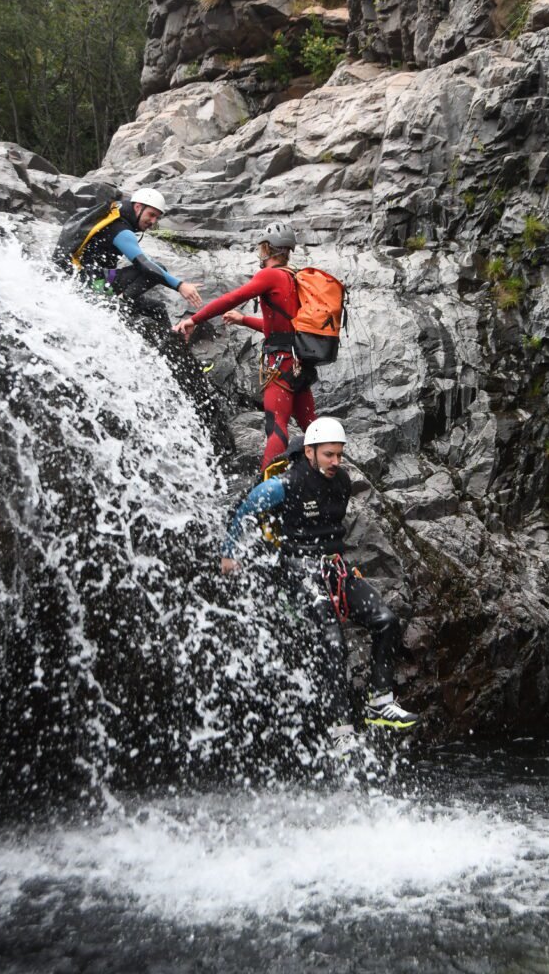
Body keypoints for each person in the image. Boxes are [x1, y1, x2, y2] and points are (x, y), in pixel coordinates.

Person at [220, 417, 421, 742]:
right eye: (329, 454)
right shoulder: (281, 486)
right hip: (296, 570)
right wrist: (229, 554)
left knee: (386, 621)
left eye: (339, 455)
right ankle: (341, 730)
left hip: (333, 568)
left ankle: (379, 704)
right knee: (332, 642)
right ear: (310, 451)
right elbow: (244, 512)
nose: (336, 461)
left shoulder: (341, 481)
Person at [172, 222, 317, 470]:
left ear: (269, 249)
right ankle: (328, 474)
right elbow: (282, 329)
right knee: (311, 426)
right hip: (301, 361)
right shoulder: (295, 277)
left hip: (281, 361)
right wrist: (244, 319)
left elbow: (232, 298)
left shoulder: (270, 275)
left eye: (262, 249)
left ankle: (267, 483)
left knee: (276, 424)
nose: (260, 254)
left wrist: (194, 320)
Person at [54, 187, 203, 320]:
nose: (153, 221)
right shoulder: (120, 229)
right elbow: (145, 265)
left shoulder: (115, 214)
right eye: (151, 214)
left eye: (157, 217)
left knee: (158, 309)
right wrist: (180, 285)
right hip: (92, 284)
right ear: (138, 207)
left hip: (91, 280)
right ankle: (118, 308)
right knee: (158, 269)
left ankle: (165, 346)